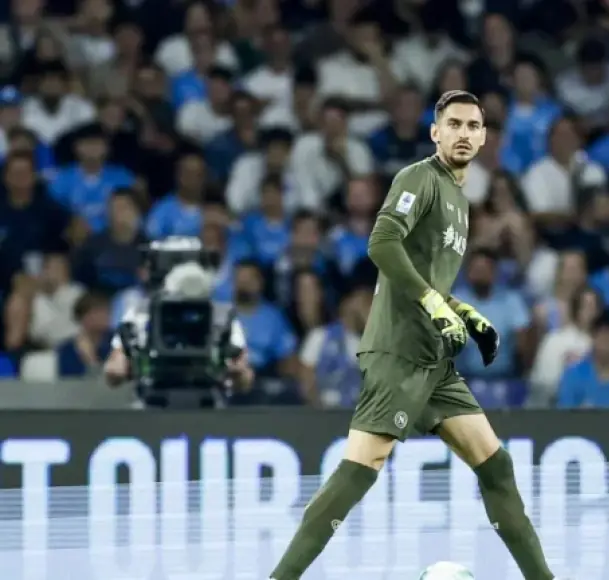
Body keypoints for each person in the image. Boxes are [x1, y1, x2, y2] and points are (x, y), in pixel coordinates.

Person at [269, 91, 559, 580]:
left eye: (473, 126)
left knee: (496, 465)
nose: (463, 133)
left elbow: (429, 276)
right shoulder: (419, 178)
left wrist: (464, 311)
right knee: (362, 466)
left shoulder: (460, 201)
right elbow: (382, 243)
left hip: (435, 360)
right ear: (435, 132)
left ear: (484, 138)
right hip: (399, 350)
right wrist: (433, 304)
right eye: (454, 124)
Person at [103, 249, 252, 394]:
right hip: (152, 397)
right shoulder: (138, 315)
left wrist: (238, 373)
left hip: (208, 397)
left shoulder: (224, 317)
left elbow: (245, 380)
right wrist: (117, 369)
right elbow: (114, 371)